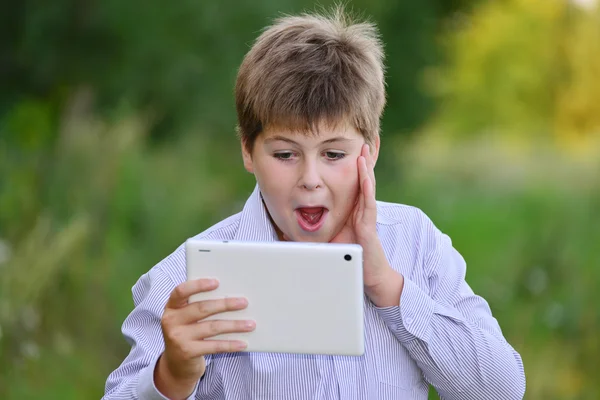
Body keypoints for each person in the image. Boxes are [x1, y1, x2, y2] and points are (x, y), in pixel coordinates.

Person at [102, 7, 526, 400]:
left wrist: (388, 287)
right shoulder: (188, 279)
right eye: (285, 155)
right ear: (248, 152)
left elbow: (502, 389)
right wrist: (172, 376)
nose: (310, 179)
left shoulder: (414, 242)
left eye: (334, 155)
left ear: (370, 151)